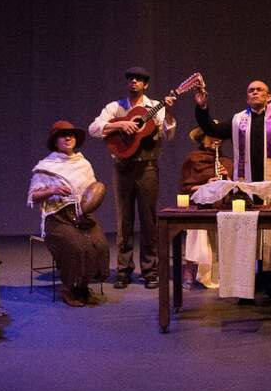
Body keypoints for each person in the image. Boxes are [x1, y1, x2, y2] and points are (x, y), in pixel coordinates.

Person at [194, 78, 271, 302]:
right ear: (247, 97)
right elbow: (212, 128)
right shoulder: (238, 120)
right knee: (245, 234)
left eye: (260, 90)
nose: (255, 93)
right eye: (251, 90)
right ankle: (245, 287)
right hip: (246, 186)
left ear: (269, 97)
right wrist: (202, 108)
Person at [89, 66, 176, 290]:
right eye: (131, 79)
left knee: (148, 221)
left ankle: (150, 271)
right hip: (122, 168)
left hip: (147, 167)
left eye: (139, 79)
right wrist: (119, 124)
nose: (134, 82)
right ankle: (123, 270)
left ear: (145, 85)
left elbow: (168, 134)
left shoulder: (154, 107)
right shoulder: (115, 107)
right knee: (123, 221)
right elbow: (94, 129)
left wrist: (169, 114)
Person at [28, 121, 111, 307]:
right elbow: (33, 196)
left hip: (81, 215)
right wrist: (53, 190)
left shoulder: (84, 164)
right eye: (62, 135)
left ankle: (83, 285)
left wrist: (92, 201)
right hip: (57, 217)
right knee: (77, 245)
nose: (68, 138)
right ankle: (70, 287)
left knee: (99, 243)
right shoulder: (46, 166)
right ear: (55, 141)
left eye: (71, 135)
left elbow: (92, 191)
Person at [178, 123, 233, 289]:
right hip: (200, 206)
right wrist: (206, 185)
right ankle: (189, 269)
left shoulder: (226, 161)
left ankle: (223, 272)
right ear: (203, 138)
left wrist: (227, 178)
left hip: (221, 207)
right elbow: (185, 188)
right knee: (197, 229)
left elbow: (234, 188)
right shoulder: (193, 158)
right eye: (213, 136)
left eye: (220, 137)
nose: (217, 140)